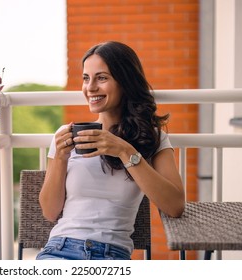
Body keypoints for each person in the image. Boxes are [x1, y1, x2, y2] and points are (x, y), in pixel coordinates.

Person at [36, 41, 185, 260]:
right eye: (86, 78)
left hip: (111, 255)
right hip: (59, 250)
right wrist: (60, 157)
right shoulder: (66, 136)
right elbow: (50, 212)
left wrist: (125, 151)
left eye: (102, 78)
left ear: (125, 82)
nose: (90, 87)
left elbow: (175, 206)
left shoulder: (152, 139)